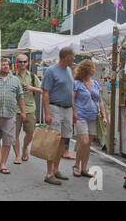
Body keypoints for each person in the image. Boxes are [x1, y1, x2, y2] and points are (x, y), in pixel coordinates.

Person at [41, 47, 76, 186]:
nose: (74, 58)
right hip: (55, 108)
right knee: (53, 141)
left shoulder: (69, 70)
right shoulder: (51, 70)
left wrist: (74, 111)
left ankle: (56, 169)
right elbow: (45, 93)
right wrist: (47, 113)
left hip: (67, 110)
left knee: (63, 140)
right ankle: (49, 173)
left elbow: (71, 91)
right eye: (73, 56)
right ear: (66, 56)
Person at [72, 60, 108, 178]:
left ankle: (84, 168)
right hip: (81, 115)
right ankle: (76, 165)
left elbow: (100, 101)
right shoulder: (77, 83)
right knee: (84, 141)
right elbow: (72, 100)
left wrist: (104, 115)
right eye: (92, 68)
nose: (94, 70)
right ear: (87, 69)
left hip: (93, 116)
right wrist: (74, 113)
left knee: (88, 144)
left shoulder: (96, 84)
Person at [13, 54, 42, 163]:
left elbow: (42, 90)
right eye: (20, 62)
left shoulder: (32, 76)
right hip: (15, 109)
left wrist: (31, 88)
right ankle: (17, 156)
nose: (22, 64)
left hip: (29, 108)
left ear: (28, 62)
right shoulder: (12, 76)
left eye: (24, 61)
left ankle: (24, 148)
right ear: (17, 63)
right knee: (14, 134)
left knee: (30, 133)